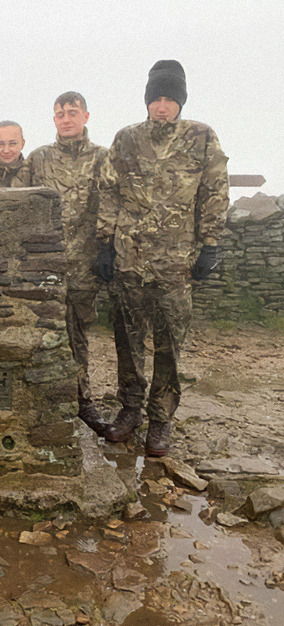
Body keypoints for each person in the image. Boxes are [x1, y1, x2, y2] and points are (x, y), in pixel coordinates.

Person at [97, 60, 229, 456]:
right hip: (129, 260)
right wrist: (105, 242)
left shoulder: (202, 137)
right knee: (128, 340)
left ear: (181, 102)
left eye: (170, 98)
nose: (162, 106)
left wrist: (210, 245)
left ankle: (161, 420)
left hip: (176, 263)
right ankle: (130, 410)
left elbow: (214, 192)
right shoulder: (126, 139)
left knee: (170, 344)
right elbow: (108, 190)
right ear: (147, 101)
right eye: (156, 98)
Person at [13, 92, 110, 437]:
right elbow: (21, 203)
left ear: (86, 115)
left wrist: (107, 249)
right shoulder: (39, 158)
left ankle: (83, 401)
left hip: (85, 264)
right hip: (46, 267)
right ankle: (45, 397)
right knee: (43, 334)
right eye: (60, 114)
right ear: (53, 120)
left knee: (78, 336)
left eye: (72, 112)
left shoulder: (103, 157)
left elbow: (110, 203)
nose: (66, 119)